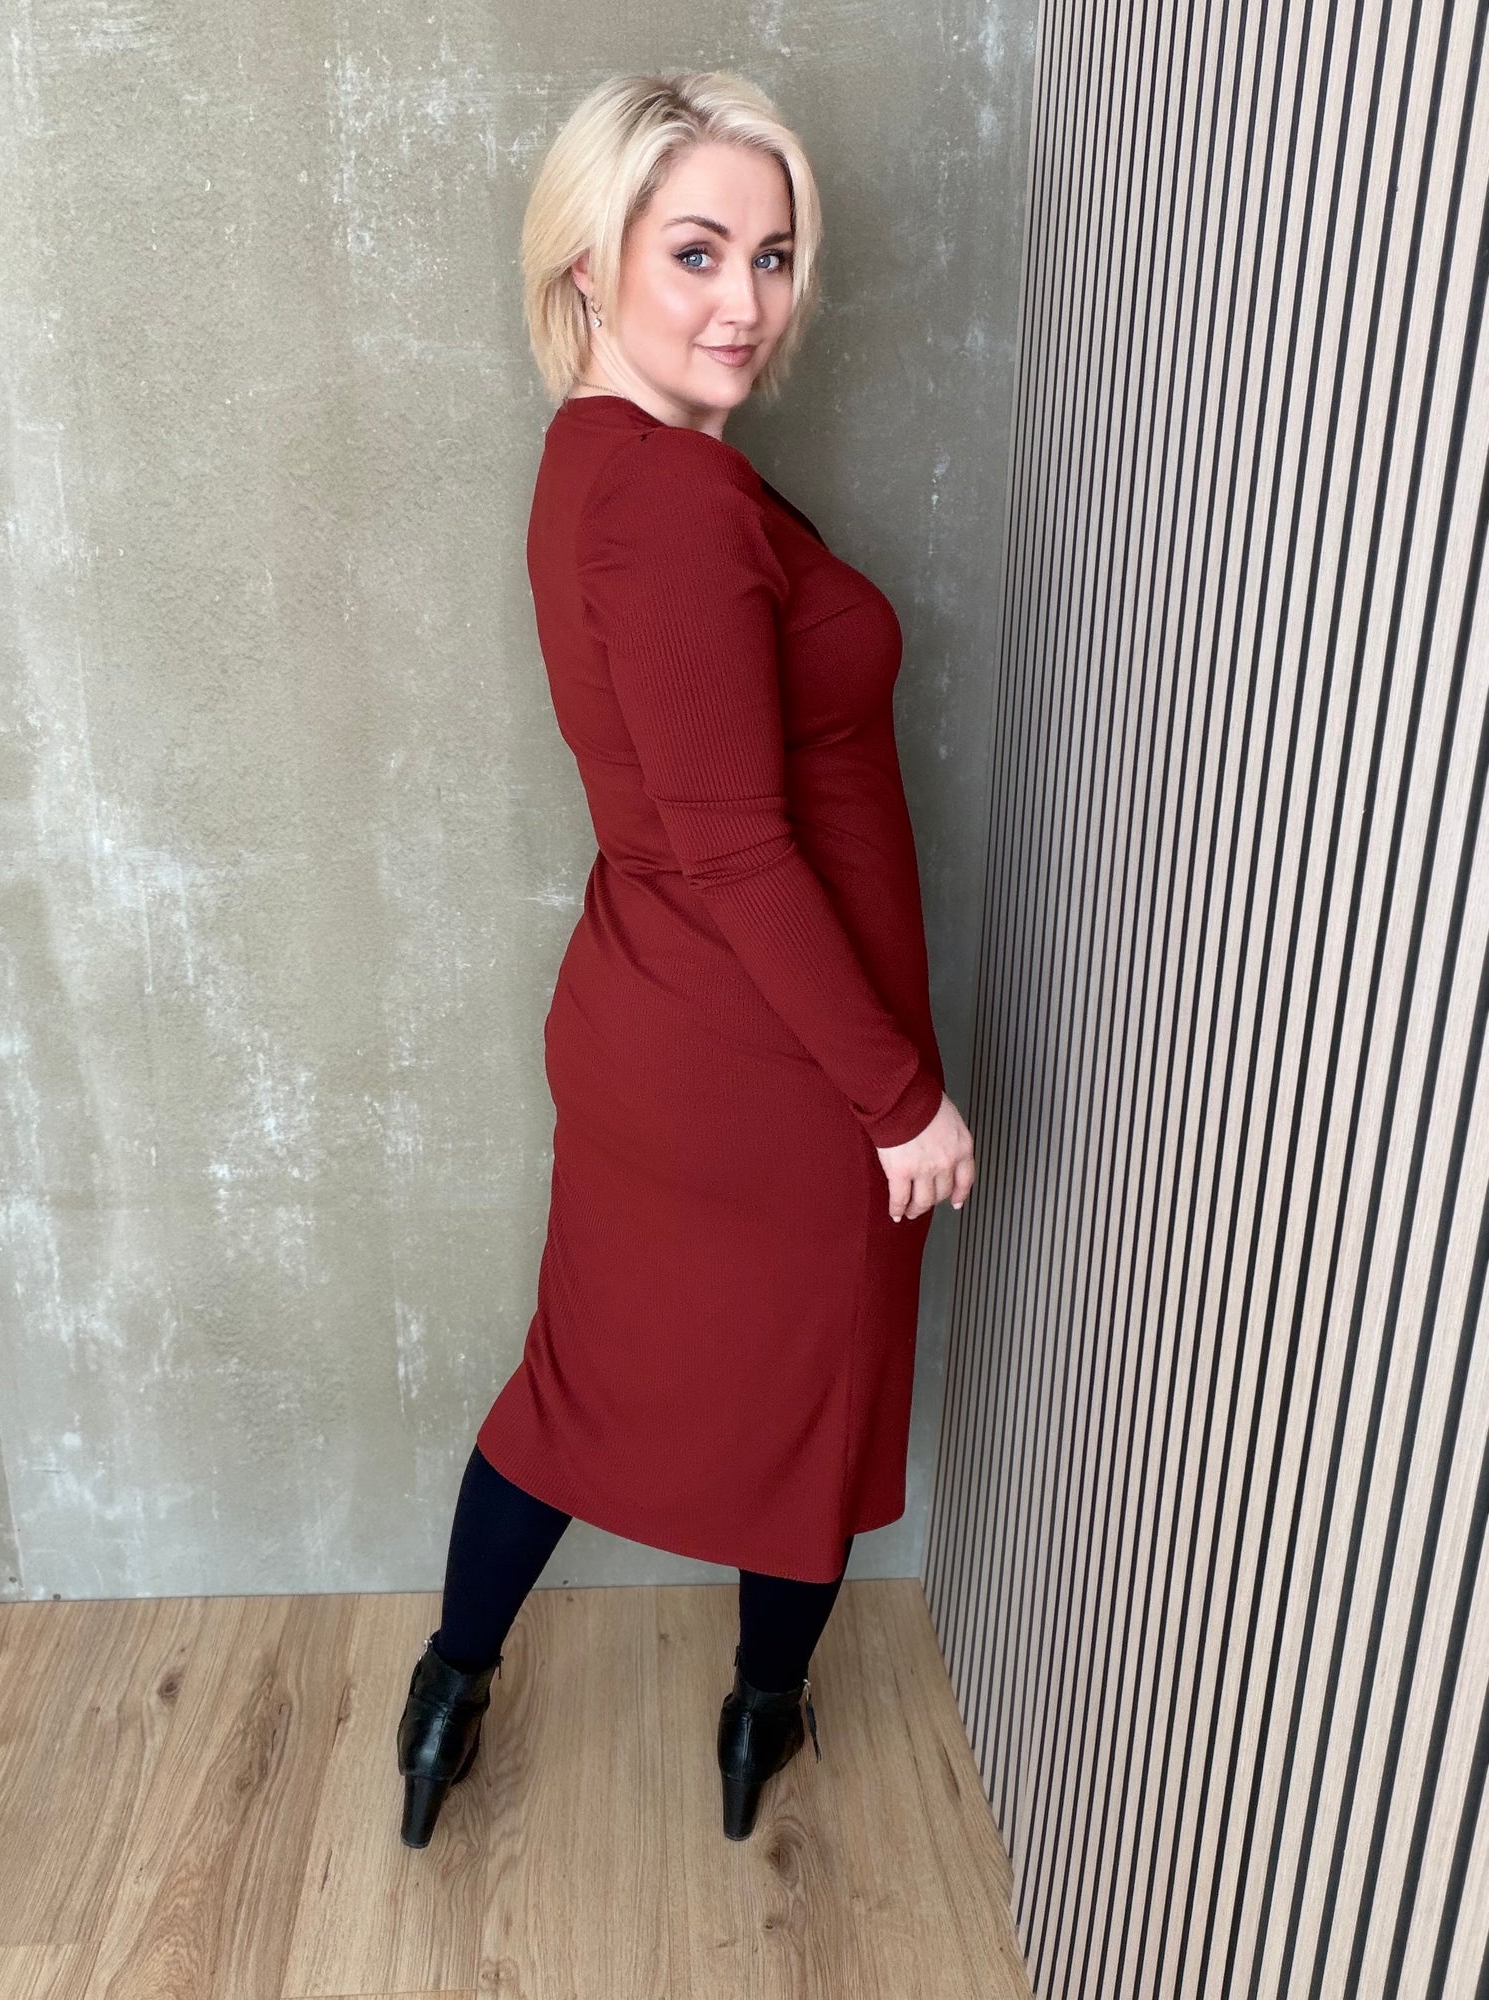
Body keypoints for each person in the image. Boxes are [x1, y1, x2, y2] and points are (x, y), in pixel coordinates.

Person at [396, 68, 976, 1850]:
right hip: (774, 1065)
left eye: (774, 257)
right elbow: (733, 845)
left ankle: (446, 1701)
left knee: (576, 1386)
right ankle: (759, 1719)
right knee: (805, 1407)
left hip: (663, 1024)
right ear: (591, 263)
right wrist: (899, 1097)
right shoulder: (666, 500)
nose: (747, 303)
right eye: (699, 252)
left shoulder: (604, 465)